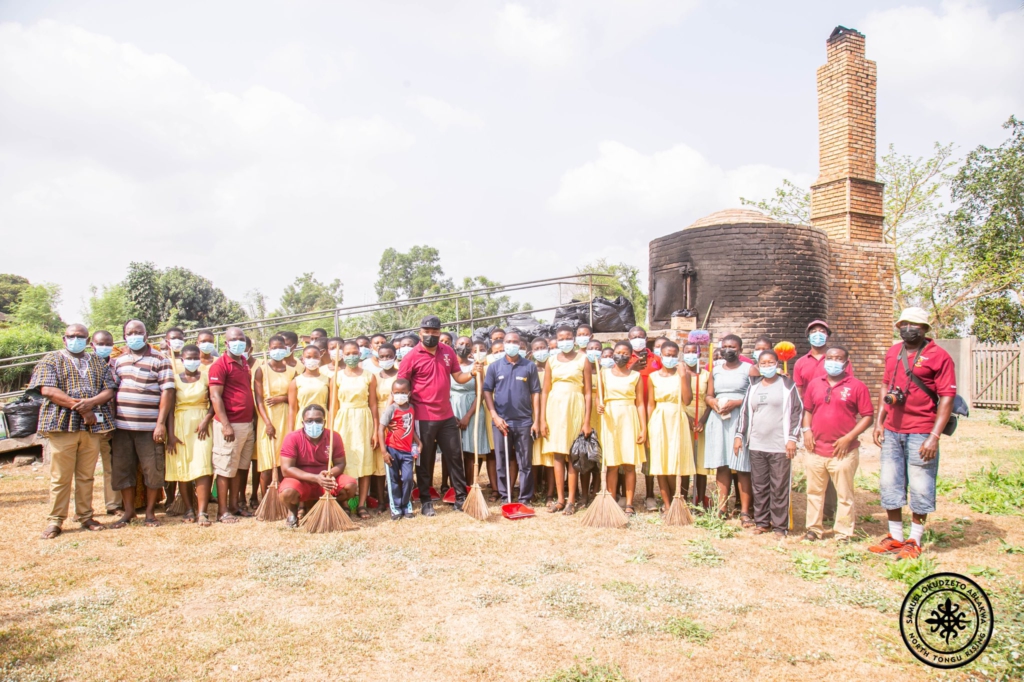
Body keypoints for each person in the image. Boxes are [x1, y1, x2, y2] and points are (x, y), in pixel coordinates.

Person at [868, 308, 956, 560]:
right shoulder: (893, 352)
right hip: (893, 431)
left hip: (921, 431)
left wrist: (934, 436)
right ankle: (895, 537)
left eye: (915, 324)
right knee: (889, 482)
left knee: (920, 484)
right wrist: (879, 422)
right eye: (904, 323)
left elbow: (947, 398)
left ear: (926, 328)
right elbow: (885, 385)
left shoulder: (940, 356)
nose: (908, 328)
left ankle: (914, 540)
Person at [29, 323, 117, 539]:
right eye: (71, 336)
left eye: (80, 337)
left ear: (88, 341)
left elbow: (109, 389)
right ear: (64, 338)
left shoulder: (96, 361)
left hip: (92, 427)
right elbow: (48, 389)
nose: (75, 339)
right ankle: (55, 520)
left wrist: (91, 404)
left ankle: (85, 515)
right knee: (61, 475)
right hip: (63, 425)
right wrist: (81, 408)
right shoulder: (51, 360)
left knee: (86, 475)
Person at [397, 316, 482, 515]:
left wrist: (473, 373)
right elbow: (401, 385)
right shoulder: (411, 357)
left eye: (435, 332)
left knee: (454, 457)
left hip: (446, 415)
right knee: (425, 460)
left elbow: (459, 377)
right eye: (427, 332)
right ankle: (426, 501)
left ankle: (461, 498)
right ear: (420, 333)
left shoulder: (448, 352)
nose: (431, 336)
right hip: (422, 416)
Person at [802, 346, 873, 542]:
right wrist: (806, 430)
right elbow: (808, 410)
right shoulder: (815, 384)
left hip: (843, 451)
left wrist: (849, 437)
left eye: (838, 358)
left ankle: (843, 532)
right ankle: (814, 529)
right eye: (830, 358)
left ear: (846, 362)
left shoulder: (857, 386)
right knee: (814, 492)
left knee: (844, 494)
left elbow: (868, 416)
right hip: (815, 449)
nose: (833, 361)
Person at [108, 320, 174, 528]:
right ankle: (128, 512)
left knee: (153, 470)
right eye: (130, 332)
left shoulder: (160, 359)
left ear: (146, 335)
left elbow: (168, 391)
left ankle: (150, 513)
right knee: (123, 469)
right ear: (124, 335)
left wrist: (160, 423)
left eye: (139, 332)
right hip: (122, 428)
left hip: (149, 428)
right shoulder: (119, 361)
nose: (134, 335)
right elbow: (113, 391)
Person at [734, 350, 803, 536]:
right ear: (758, 365)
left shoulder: (787, 385)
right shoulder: (754, 386)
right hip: (757, 444)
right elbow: (745, 413)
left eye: (770, 362)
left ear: (777, 363)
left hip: (780, 446)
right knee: (759, 485)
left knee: (779, 486)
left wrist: (792, 439)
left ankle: (780, 526)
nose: (766, 366)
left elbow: (797, 411)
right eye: (762, 363)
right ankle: (762, 522)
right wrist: (739, 435)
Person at [483, 331, 541, 508]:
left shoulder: (529, 366)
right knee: (501, 461)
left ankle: (525, 498)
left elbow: (535, 394)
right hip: (501, 422)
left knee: (525, 462)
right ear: (503, 343)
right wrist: (494, 415)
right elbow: (487, 391)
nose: (512, 344)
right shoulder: (494, 367)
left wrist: (536, 420)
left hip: (524, 422)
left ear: (521, 345)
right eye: (508, 341)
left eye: (515, 342)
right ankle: (504, 495)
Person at [541, 325, 593, 515]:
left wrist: (586, 421)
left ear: (574, 339)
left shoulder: (583, 360)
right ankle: (560, 499)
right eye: (561, 338)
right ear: (556, 339)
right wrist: (542, 419)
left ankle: (571, 500)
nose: (565, 341)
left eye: (569, 337)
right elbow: (545, 391)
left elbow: (588, 393)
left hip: (574, 407)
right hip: (554, 408)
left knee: (572, 454)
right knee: (557, 454)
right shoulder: (551, 361)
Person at [279, 404, 358, 528]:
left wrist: (328, 475)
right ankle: (293, 511)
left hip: (326, 477)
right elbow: (286, 469)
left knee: (350, 485)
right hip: (301, 480)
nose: (314, 424)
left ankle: (333, 505)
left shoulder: (333, 437)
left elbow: (340, 463)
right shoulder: (292, 438)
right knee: (287, 492)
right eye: (309, 421)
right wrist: (316, 478)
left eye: (318, 420)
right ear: (302, 422)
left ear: (324, 422)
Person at [207, 326, 256, 523]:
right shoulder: (220, 365)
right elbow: (215, 396)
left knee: (240, 468)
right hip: (230, 425)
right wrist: (226, 424)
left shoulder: (243, 362)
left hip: (246, 424)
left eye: (241, 339)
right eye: (234, 339)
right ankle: (222, 510)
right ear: (226, 343)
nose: (238, 342)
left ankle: (235, 505)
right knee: (225, 468)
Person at [164, 344, 214, 526]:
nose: (192, 361)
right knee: (182, 466)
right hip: (179, 424)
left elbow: (214, 401)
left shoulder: (206, 377)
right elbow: (169, 408)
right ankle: (188, 508)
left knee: (202, 465)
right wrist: (170, 434)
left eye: (195, 358)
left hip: (201, 425)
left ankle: (202, 512)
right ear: (182, 360)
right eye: (188, 358)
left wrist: (206, 420)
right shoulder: (175, 379)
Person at [703, 334, 752, 521]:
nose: (727, 350)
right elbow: (708, 395)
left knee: (742, 465)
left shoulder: (749, 369)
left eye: (732, 347)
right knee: (722, 463)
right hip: (719, 417)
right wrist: (713, 401)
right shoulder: (714, 370)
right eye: (724, 346)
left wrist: (737, 402)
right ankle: (721, 508)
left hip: (740, 416)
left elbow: (754, 394)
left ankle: (745, 511)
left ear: (740, 349)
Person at [597, 341, 646, 514]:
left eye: (625, 353)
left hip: (629, 416)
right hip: (610, 418)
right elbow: (598, 397)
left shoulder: (635, 376)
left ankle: (629, 504)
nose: (621, 355)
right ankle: (611, 500)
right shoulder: (603, 374)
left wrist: (643, 428)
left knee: (629, 463)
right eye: (618, 352)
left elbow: (640, 404)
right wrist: (599, 406)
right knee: (612, 463)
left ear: (631, 355)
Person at [646, 340, 695, 512]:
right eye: (668, 355)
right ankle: (667, 504)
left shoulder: (684, 374)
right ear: (661, 355)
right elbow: (650, 404)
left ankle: (679, 500)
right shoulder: (653, 377)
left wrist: (682, 376)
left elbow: (688, 400)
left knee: (676, 461)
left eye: (674, 355)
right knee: (661, 462)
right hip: (659, 419)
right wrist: (647, 428)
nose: (671, 358)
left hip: (677, 417)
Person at [333, 339, 379, 518]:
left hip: (363, 420)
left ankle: (361, 504)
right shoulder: (336, 376)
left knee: (364, 460)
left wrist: (375, 429)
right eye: (348, 353)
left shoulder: (369, 376)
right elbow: (334, 406)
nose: (351, 356)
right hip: (343, 420)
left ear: (360, 354)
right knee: (343, 461)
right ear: (342, 356)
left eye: (354, 353)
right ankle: (344, 502)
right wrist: (332, 430)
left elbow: (373, 405)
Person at [253, 335, 296, 503]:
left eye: (281, 347)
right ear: (269, 349)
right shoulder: (261, 370)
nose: (278, 350)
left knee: (283, 461)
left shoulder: (292, 371)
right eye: (274, 347)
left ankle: (283, 498)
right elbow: (259, 399)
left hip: (287, 417)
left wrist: (282, 398)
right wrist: (267, 423)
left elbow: (295, 397)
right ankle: (267, 501)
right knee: (267, 463)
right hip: (268, 419)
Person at [627, 326, 661, 512]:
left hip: (652, 411)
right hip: (629, 412)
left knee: (650, 455)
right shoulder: (624, 358)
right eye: (633, 337)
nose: (637, 339)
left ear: (646, 338)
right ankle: (624, 494)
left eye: (641, 336)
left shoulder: (656, 360)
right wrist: (631, 368)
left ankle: (650, 495)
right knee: (627, 455)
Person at [450, 337, 489, 493]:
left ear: (472, 348)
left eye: (468, 345)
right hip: (451, 408)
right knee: (454, 449)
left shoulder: (477, 366)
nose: (464, 347)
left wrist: (468, 416)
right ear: (455, 345)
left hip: (473, 409)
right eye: (461, 344)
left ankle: (471, 484)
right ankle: (456, 486)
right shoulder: (449, 366)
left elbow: (480, 393)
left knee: (471, 450)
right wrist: (452, 414)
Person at [379, 379, 422, 520]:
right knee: (393, 479)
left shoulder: (412, 408)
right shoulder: (391, 409)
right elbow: (381, 429)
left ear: (409, 393)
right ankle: (396, 508)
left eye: (403, 393)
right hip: (392, 450)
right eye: (397, 393)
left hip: (407, 451)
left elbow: (410, 429)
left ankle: (406, 504)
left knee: (408, 478)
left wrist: (418, 442)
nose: (400, 395)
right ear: (392, 393)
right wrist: (384, 452)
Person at [90, 329, 121, 516]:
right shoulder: (85, 365)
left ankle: (113, 505)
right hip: (87, 425)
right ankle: (83, 509)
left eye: (108, 344)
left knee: (112, 467)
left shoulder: (118, 366)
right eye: (100, 344)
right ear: (92, 345)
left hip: (111, 425)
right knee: (85, 470)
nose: (104, 347)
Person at [681, 342, 712, 507]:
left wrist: (702, 421)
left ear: (700, 354)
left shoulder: (706, 375)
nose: (691, 354)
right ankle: (684, 499)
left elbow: (709, 400)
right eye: (687, 352)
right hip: (684, 416)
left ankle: (700, 499)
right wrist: (687, 418)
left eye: (694, 352)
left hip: (702, 419)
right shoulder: (679, 374)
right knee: (686, 460)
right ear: (683, 354)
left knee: (701, 463)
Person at [370, 342, 399, 510]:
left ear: (395, 356)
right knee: (380, 460)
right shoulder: (374, 376)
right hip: (379, 416)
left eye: (389, 356)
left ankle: (398, 496)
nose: (385, 359)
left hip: (396, 419)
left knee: (397, 457)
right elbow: (372, 402)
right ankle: (381, 500)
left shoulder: (401, 374)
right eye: (382, 357)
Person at [530, 337, 555, 506]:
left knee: (550, 456)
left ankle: (550, 493)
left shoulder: (553, 367)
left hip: (551, 414)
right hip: (531, 415)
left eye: (542, 347)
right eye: (536, 348)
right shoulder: (529, 368)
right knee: (532, 456)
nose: (540, 351)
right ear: (532, 352)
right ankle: (532, 490)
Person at [289, 345, 330, 430]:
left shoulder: (328, 380)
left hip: (323, 419)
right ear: (303, 359)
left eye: (315, 357)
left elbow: (331, 406)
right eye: (308, 357)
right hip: (303, 419)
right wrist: (290, 432)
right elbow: (292, 410)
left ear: (320, 358)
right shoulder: (295, 382)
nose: (312, 359)